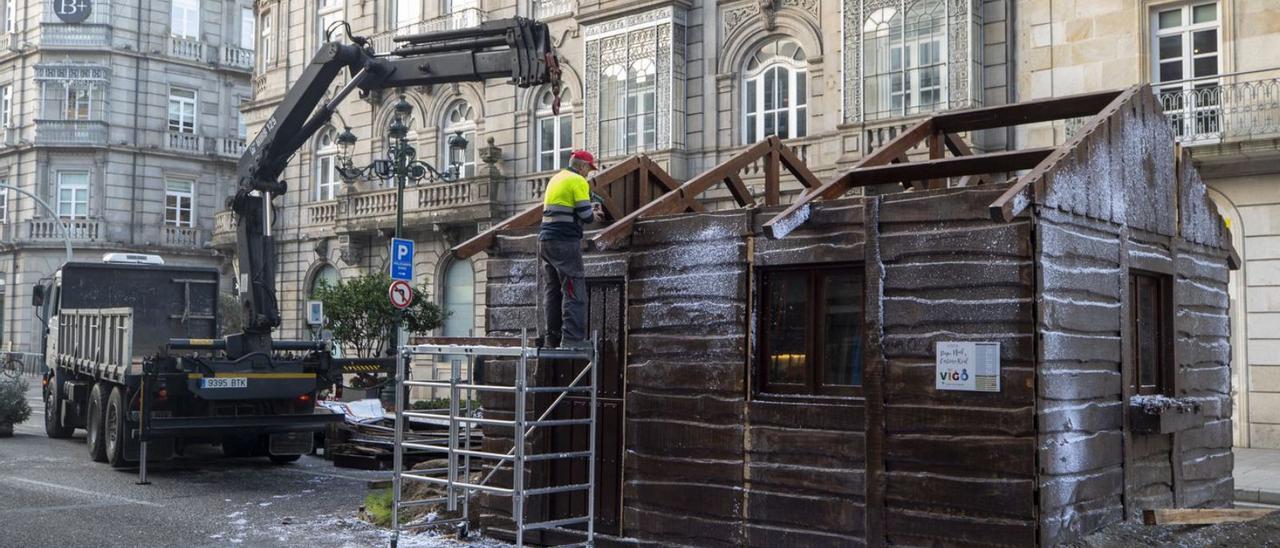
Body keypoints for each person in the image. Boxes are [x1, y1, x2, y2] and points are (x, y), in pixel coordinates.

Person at [539, 150, 603, 348]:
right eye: (589, 170)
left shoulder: (556, 179)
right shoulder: (577, 181)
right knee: (573, 289)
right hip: (565, 242)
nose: (588, 174)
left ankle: (552, 338)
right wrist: (595, 214)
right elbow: (585, 215)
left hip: (545, 241)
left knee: (553, 291)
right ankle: (572, 340)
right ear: (582, 166)